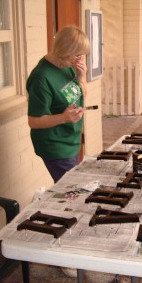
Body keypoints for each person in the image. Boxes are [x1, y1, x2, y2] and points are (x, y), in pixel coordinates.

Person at [27, 26, 90, 183]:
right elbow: (34, 121)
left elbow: (80, 94)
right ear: (64, 50)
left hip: (71, 139)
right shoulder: (42, 77)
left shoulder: (66, 65)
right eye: (77, 55)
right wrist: (64, 118)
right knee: (73, 188)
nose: (80, 59)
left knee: (73, 187)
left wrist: (82, 77)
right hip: (55, 145)